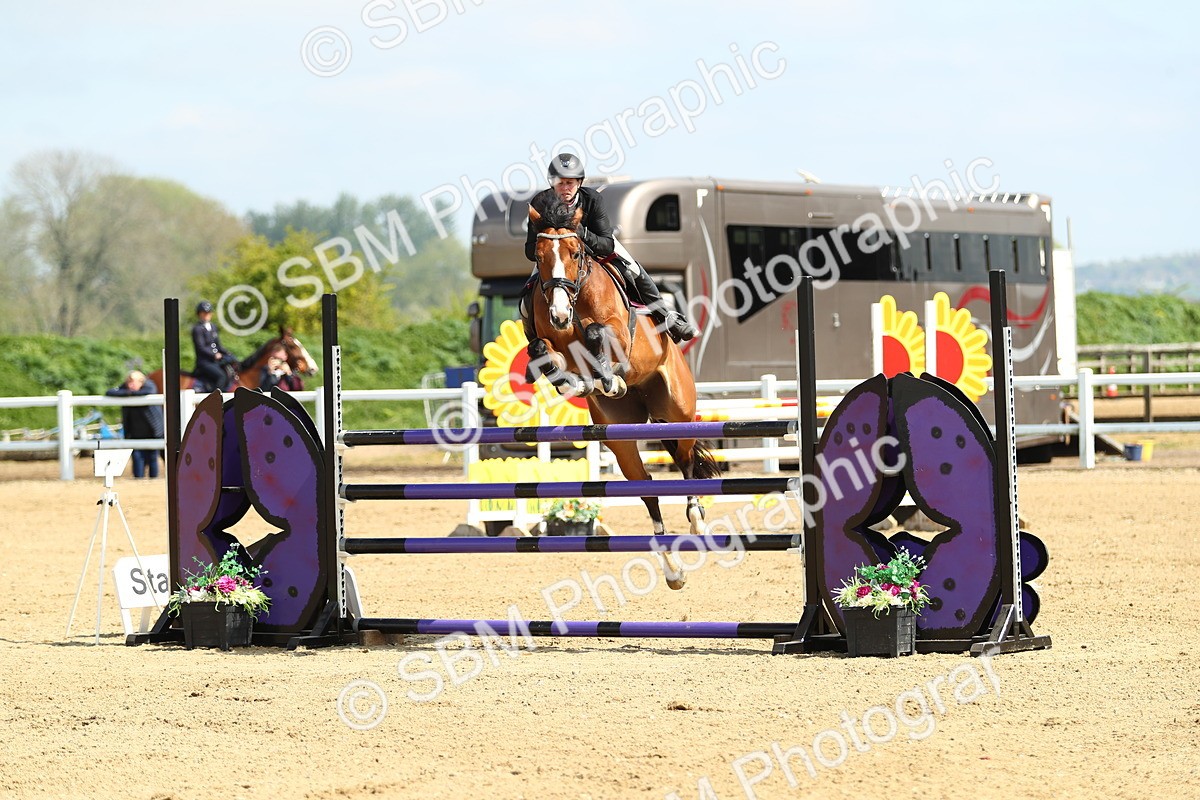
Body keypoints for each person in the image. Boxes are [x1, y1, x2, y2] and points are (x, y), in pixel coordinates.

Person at [521, 152, 699, 344]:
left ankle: (667, 317)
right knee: (527, 296)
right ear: (552, 183)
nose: (565, 188)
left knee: (633, 269)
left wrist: (583, 235)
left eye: (569, 183)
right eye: (560, 183)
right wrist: (549, 245)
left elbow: (606, 244)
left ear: (579, 183)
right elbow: (530, 250)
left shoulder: (592, 199)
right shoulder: (540, 204)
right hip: (557, 255)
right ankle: (534, 340)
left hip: (596, 244)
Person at [105, 370, 165, 478]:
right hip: (135, 432)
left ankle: (153, 480)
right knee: (137, 458)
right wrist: (129, 393)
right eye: (129, 382)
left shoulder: (149, 385)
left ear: (141, 381)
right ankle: (138, 480)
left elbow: (149, 391)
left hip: (152, 431)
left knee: (152, 458)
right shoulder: (126, 387)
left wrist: (128, 394)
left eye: (133, 382)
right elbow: (110, 392)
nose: (130, 385)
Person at [192, 300, 235, 391]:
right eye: (204, 313)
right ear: (199, 314)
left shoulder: (213, 327)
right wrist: (214, 355)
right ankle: (215, 398)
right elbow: (201, 347)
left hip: (215, 361)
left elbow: (218, 345)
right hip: (204, 362)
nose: (206, 315)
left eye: (208, 313)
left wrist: (228, 353)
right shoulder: (197, 329)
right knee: (221, 376)